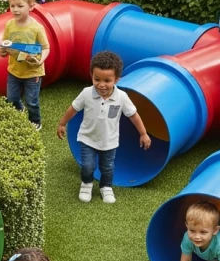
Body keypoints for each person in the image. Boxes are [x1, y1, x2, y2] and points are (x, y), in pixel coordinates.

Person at [56, 50, 152, 204]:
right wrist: (62, 123)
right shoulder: (87, 93)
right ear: (91, 76)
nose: (101, 85)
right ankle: (86, 183)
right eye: (97, 79)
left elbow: (133, 115)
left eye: (107, 80)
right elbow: (74, 108)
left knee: (107, 167)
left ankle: (106, 186)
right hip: (88, 138)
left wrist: (143, 133)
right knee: (88, 166)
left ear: (116, 80)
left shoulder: (121, 97)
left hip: (109, 141)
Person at [0, 0, 50, 130]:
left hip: (33, 72)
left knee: (31, 101)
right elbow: (5, 44)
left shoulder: (36, 28)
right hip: (14, 70)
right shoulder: (9, 25)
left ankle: (35, 120)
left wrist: (40, 60)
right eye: (12, 5)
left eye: (20, 6)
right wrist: (2, 51)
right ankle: (19, 110)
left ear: (31, 6)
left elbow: (46, 48)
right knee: (11, 98)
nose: (15, 9)